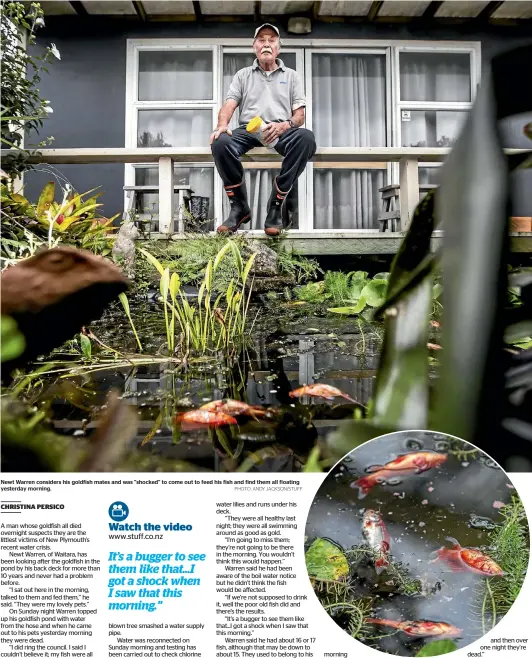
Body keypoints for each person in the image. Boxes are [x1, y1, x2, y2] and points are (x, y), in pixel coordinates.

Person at [210, 23, 316, 236]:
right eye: (261, 40)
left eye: (271, 40)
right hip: (249, 130)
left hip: (281, 129)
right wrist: (222, 125)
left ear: (278, 47)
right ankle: (239, 208)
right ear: (254, 46)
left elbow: (300, 115)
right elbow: (229, 104)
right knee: (220, 141)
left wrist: (285, 125)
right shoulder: (243, 75)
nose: (266, 44)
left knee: (306, 139)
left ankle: (275, 206)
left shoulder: (292, 76)